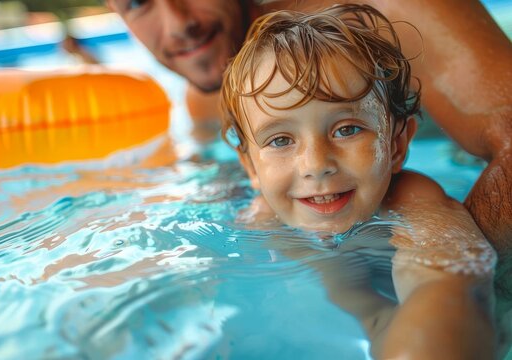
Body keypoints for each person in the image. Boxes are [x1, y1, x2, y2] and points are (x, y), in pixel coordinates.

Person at [105, 0, 512, 277]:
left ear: (399, 141)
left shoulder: (394, 9)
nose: (179, 23)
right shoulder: (203, 99)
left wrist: (449, 288)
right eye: (138, 2)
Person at [219, 5, 497, 358]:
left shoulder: (412, 198)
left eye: (347, 129)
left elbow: (443, 283)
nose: (316, 165)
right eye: (280, 140)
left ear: (397, 144)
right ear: (251, 167)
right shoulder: (261, 222)